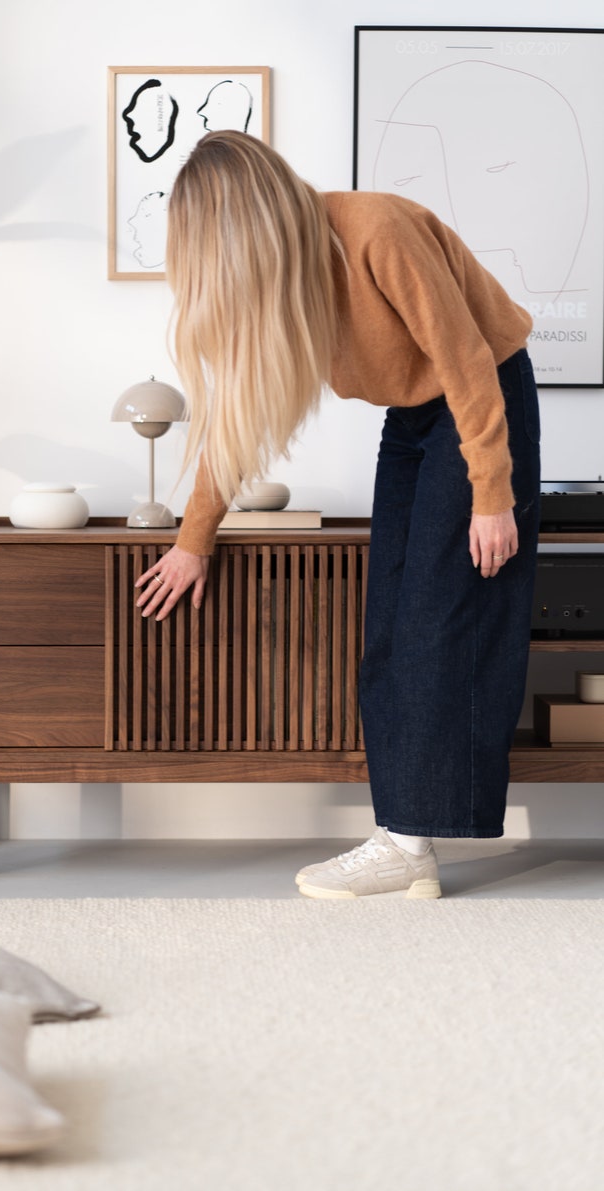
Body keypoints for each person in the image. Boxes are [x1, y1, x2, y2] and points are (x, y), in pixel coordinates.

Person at [134, 131, 541, 900]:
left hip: (482, 397)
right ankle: (401, 839)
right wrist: (194, 542)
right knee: (386, 618)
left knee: (437, 612)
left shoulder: (375, 232)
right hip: (412, 419)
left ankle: (409, 841)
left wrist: (493, 492)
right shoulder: (269, 289)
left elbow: (464, 358)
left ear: (243, 224)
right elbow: (233, 422)